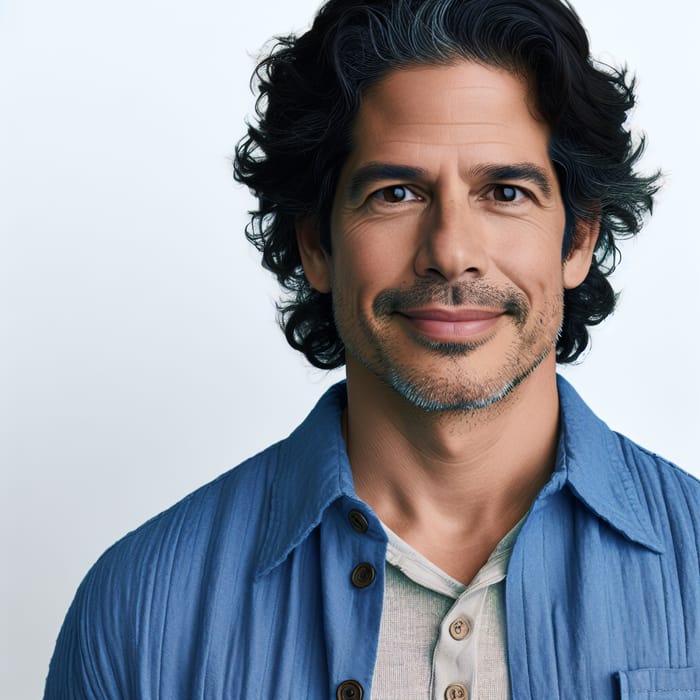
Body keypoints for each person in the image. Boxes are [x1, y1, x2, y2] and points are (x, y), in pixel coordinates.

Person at [44, 0, 700, 698]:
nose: (451, 253)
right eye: (397, 193)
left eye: (505, 192)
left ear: (579, 239)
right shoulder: (137, 613)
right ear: (316, 245)